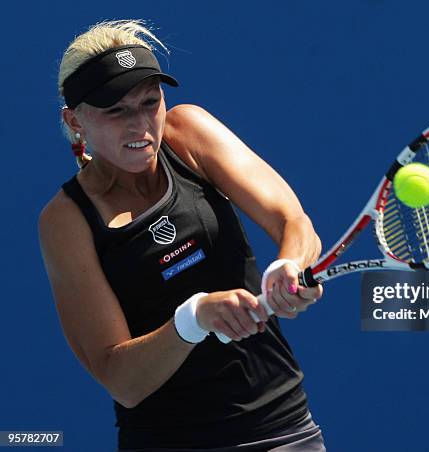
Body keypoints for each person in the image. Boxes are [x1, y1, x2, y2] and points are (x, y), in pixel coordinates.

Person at [39, 19, 326, 451]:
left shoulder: (188, 133)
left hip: (284, 430)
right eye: (115, 110)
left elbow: (293, 222)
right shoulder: (66, 221)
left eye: (149, 102)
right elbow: (121, 379)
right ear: (74, 120)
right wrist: (192, 319)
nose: (139, 125)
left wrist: (289, 265)